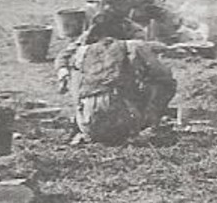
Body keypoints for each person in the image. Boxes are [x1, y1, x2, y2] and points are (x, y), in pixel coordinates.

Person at [58, 11, 177, 145]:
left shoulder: (82, 51)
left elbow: (64, 59)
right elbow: (162, 74)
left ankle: (78, 123)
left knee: (79, 76)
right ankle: (151, 125)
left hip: (87, 125)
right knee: (165, 82)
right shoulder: (134, 45)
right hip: (122, 124)